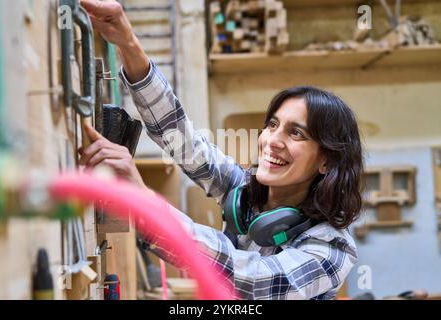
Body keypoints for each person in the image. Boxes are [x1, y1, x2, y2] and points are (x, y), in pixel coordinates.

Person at [79, 0, 364, 300]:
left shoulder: (332, 247)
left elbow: (252, 280)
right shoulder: (246, 193)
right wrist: (127, 42)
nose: (272, 141)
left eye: (296, 133)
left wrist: (145, 204)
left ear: (327, 161)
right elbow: (181, 139)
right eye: (272, 125)